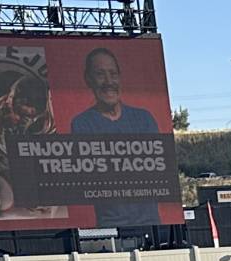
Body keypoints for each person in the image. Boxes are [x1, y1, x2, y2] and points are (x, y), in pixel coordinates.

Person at [67, 47, 164, 233]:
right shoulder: (82, 124)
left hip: (153, 224)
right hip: (111, 227)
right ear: (88, 79)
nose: (108, 81)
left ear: (120, 78)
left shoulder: (144, 119)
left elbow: (157, 171)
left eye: (113, 74)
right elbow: (91, 177)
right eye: (100, 74)